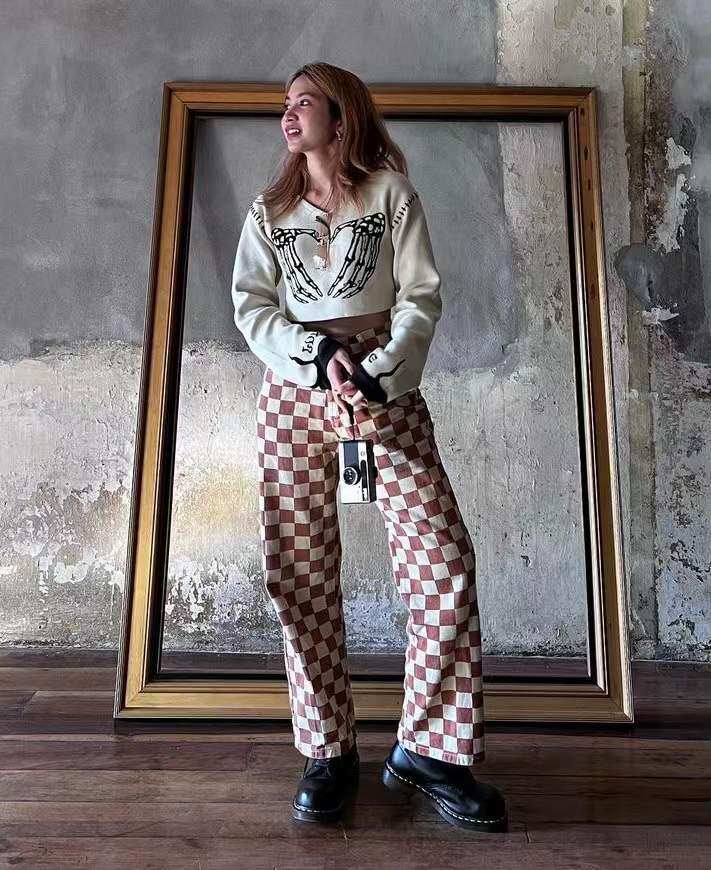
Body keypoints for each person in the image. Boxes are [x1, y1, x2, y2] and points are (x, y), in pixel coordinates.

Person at [230, 61, 507, 833]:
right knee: (298, 571)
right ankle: (327, 750)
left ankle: (431, 752)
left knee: (442, 562)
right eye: (284, 104)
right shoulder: (270, 210)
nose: (288, 115)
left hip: (384, 386)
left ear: (341, 114)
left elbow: (420, 296)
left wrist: (379, 374)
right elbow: (251, 306)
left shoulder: (390, 195)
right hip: (295, 392)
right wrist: (315, 357)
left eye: (304, 102)